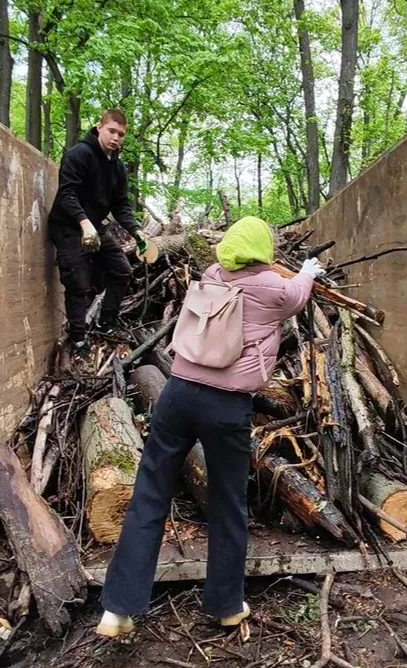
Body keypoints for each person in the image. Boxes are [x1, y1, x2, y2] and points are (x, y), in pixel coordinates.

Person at [96, 217, 325, 637]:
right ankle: (225, 605)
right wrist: (308, 271)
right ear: (263, 250)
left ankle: (117, 608)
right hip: (225, 406)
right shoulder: (274, 288)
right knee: (227, 504)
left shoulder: (211, 275)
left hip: (177, 395)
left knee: (149, 496)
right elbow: (297, 295)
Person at [48, 109, 148, 347]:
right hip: (68, 226)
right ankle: (78, 341)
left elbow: (121, 205)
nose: (116, 138)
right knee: (77, 284)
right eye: (112, 131)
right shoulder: (79, 154)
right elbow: (67, 194)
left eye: (121, 134)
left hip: (95, 226)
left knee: (122, 271)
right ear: (99, 127)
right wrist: (84, 224)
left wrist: (136, 230)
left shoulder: (117, 167)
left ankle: (107, 323)